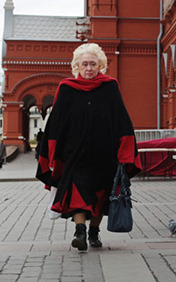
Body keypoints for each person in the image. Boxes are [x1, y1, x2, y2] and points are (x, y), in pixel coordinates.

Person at [36, 43, 141, 251]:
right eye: (85, 64)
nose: (89, 68)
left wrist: (125, 151)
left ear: (100, 65)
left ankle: (94, 231)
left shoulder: (110, 87)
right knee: (77, 192)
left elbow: (121, 120)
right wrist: (49, 153)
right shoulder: (66, 88)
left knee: (101, 195)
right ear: (77, 66)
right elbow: (55, 123)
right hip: (75, 154)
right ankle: (80, 232)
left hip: (105, 153)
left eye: (93, 64)